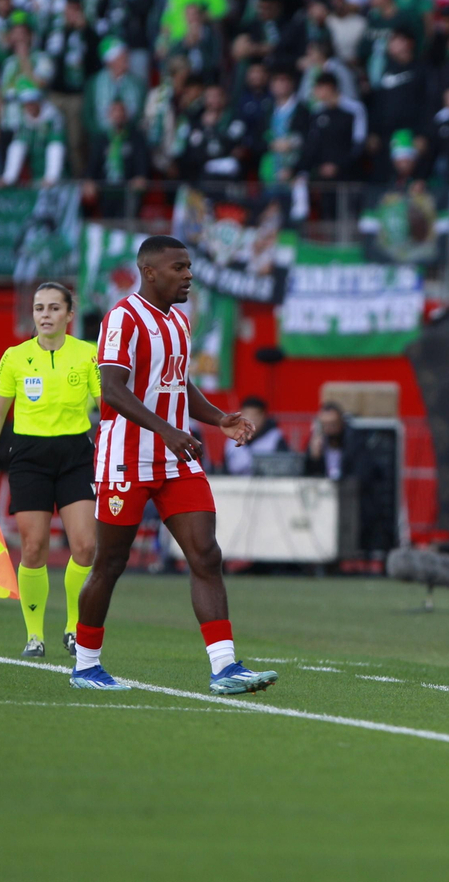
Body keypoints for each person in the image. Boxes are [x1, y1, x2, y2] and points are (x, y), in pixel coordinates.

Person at [77, 236, 278, 695]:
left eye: (189, 266)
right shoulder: (121, 319)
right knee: (110, 562)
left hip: (174, 459)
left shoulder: (180, 321)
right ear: (149, 272)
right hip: (126, 459)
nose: (189, 274)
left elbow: (176, 383)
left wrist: (218, 417)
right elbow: (112, 389)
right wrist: (165, 429)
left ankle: (224, 668)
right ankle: (86, 665)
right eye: (179, 267)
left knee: (206, 553)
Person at [0, 285, 100, 658]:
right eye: (38, 308)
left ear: (68, 314)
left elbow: (107, 407)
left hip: (76, 454)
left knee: (86, 546)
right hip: (29, 457)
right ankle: (34, 636)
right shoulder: (14, 357)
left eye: (53, 308)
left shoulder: (88, 354)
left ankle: (73, 628)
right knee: (33, 547)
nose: (45, 314)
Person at [224, 396, 290, 476]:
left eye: (255, 416)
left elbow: (284, 468)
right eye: (247, 415)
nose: (250, 420)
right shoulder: (231, 439)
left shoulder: (275, 438)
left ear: (263, 416)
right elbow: (225, 469)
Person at [304, 402, 358, 480]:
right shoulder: (317, 443)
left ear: (341, 423)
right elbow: (308, 474)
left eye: (333, 424)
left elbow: (359, 474)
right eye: (325, 425)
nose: (329, 429)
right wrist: (314, 458)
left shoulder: (353, 443)